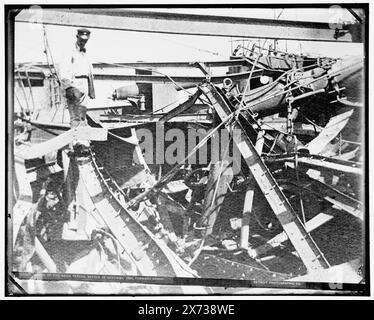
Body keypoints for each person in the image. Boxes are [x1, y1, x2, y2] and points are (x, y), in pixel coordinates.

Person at [59, 28, 96, 150]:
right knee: (75, 115)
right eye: (81, 40)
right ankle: (76, 142)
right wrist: (69, 87)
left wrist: (91, 89)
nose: (83, 42)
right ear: (77, 37)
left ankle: (83, 140)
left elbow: (89, 71)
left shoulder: (85, 52)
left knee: (82, 113)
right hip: (75, 84)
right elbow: (63, 70)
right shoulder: (70, 51)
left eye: (85, 40)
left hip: (84, 83)